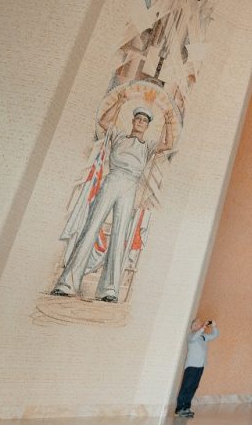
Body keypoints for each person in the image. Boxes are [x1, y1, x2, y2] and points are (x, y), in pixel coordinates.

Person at [53, 93, 177, 302]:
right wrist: (119, 102)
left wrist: (167, 120)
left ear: (147, 125)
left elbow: (168, 144)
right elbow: (104, 122)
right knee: (91, 227)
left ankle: (109, 290)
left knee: (120, 234)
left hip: (130, 186)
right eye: (137, 119)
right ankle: (67, 283)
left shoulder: (147, 146)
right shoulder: (119, 136)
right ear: (133, 120)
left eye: (144, 121)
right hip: (112, 180)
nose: (140, 123)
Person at [175, 319, 218, 418]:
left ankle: (186, 408)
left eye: (199, 324)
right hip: (192, 366)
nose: (198, 326)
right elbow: (194, 337)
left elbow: (214, 335)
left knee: (193, 387)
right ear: (192, 327)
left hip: (200, 365)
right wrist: (202, 328)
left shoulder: (203, 337)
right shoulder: (191, 335)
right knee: (186, 387)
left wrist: (214, 326)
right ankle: (179, 409)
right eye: (195, 325)